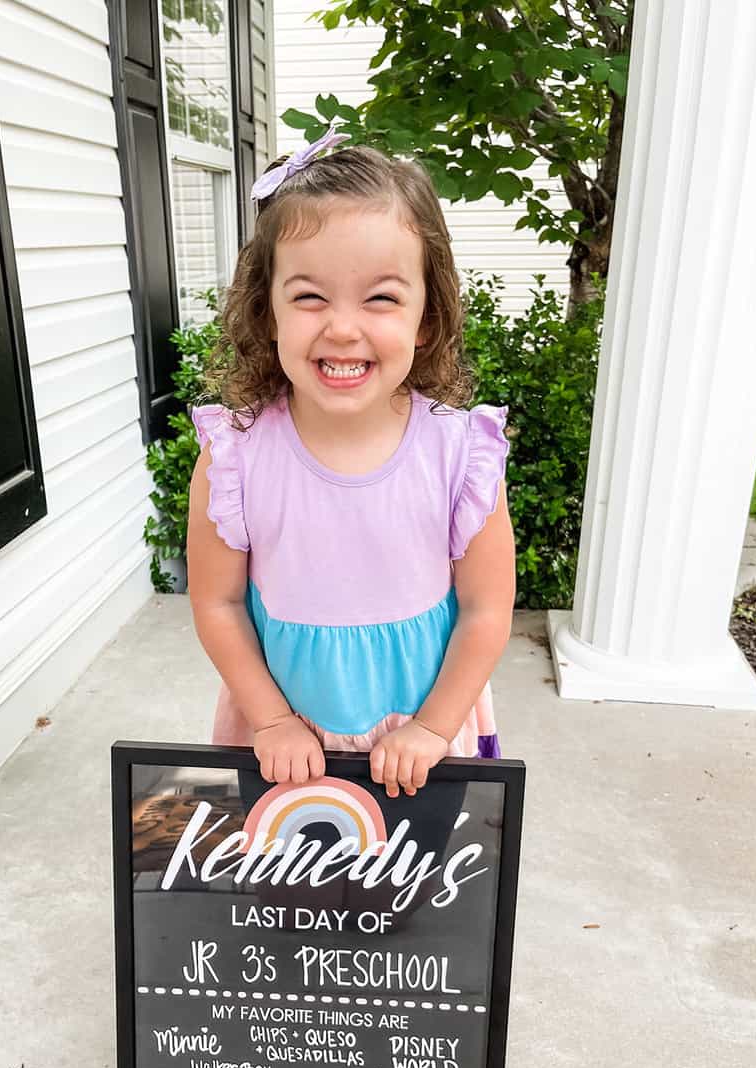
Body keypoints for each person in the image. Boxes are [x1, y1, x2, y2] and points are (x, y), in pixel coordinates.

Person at [186, 122, 516, 802]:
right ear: (267, 311)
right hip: (284, 736)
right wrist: (272, 720)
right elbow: (217, 601)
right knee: (289, 892)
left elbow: (487, 610)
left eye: (381, 298)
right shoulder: (234, 457)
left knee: (418, 894)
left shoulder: (462, 456)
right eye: (309, 296)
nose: (342, 327)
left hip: (422, 737)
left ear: (427, 318)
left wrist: (431, 728)